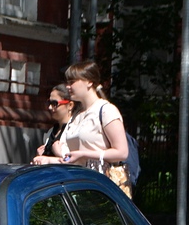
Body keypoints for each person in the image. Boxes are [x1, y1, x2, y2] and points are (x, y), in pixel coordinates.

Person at [53, 60, 131, 196]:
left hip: (102, 188)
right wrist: (55, 155)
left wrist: (84, 154)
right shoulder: (76, 114)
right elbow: (72, 156)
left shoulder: (106, 111)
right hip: (78, 186)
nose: (68, 87)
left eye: (72, 82)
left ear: (89, 82)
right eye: (67, 82)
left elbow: (122, 152)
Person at [31, 83, 73, 165]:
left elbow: (78, 160)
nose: (50, 107)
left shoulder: (75, 131)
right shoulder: (51, 131)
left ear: (70, 105)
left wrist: (60, 155)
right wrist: (40, 156)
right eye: (49, 103)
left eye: (54, 103)